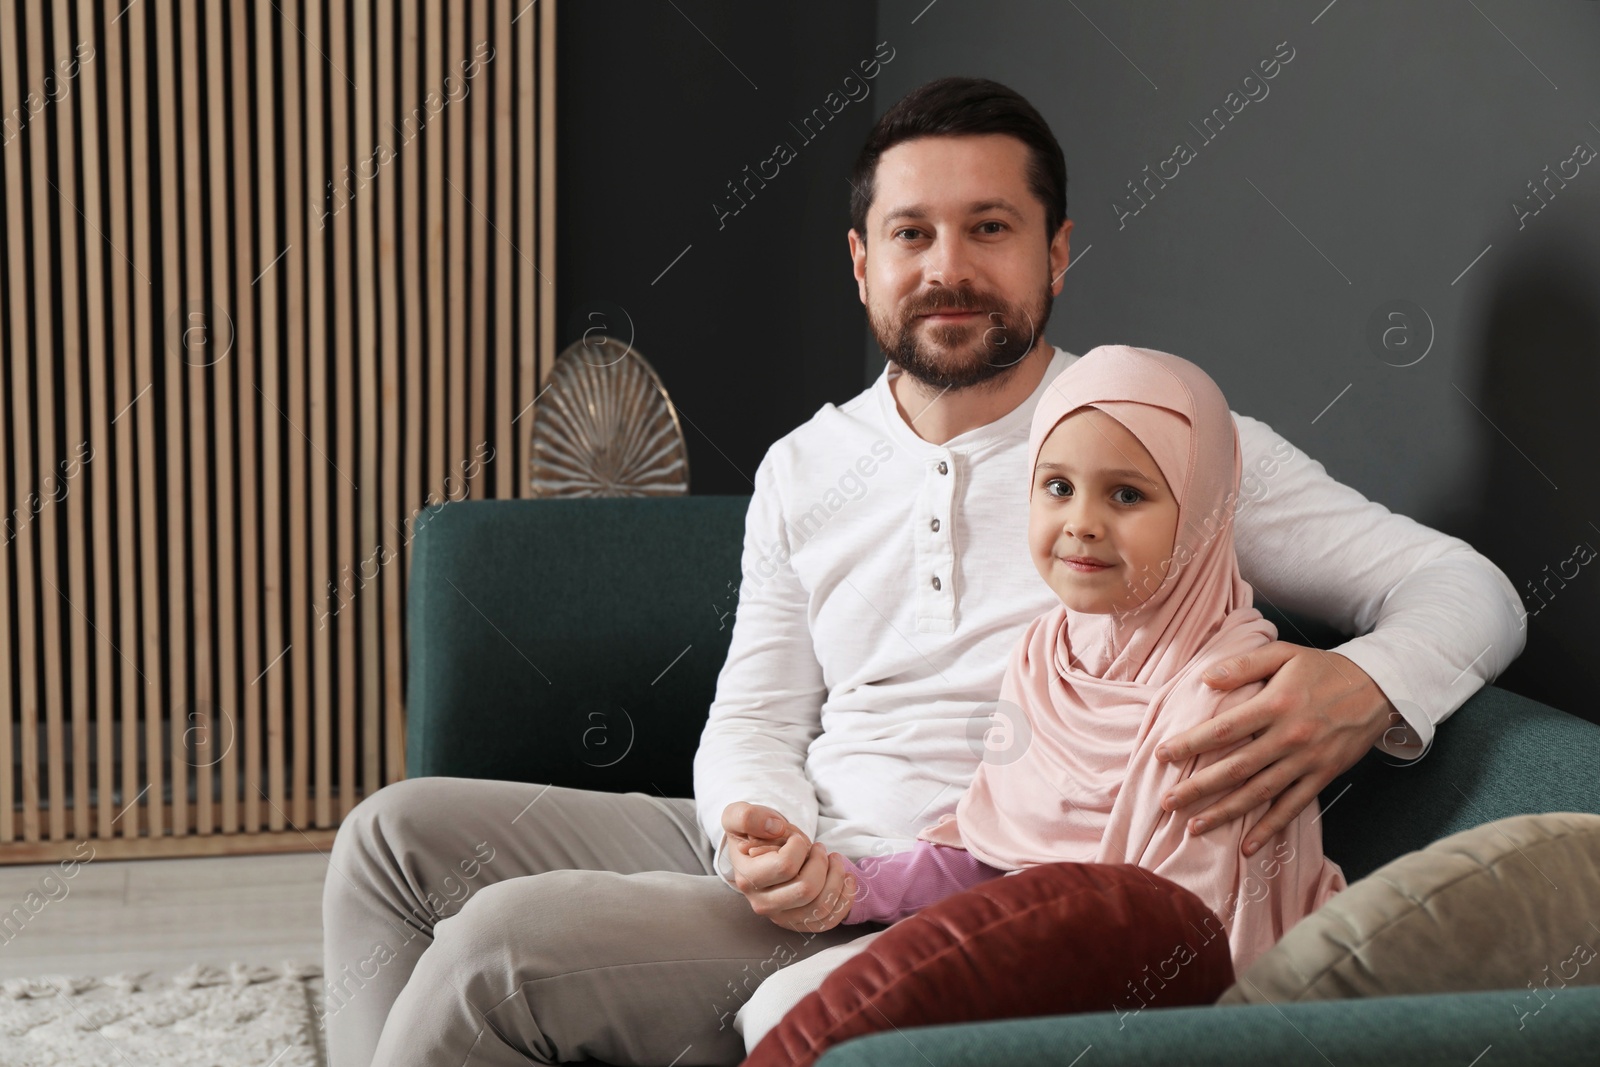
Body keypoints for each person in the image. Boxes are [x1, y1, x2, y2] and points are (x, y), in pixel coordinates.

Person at [323, 77, 1524, 1067]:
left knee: (503, 942)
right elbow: (755, 705)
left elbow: (1467, 587)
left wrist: (1361, 688)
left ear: (1056, 250)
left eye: (989, 228)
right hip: (799, 844)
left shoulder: (1149, 438)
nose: (948, 267)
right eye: (912, 233)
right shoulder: (809, 463)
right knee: (390, 840)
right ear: (861, 261)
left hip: (950, 890)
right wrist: (764, 833)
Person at [731, 344, 1350, 1050]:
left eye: (1127, 494)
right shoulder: (1049, 650)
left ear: (1205, 509)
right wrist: (863, 885)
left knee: (795, 1011)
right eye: (1057, 487)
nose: (1082, 522)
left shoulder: (1225, 699)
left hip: (1135, 999)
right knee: (786, 1001)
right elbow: (1002, 852)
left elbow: (1185, 948)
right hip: (1032, 942)